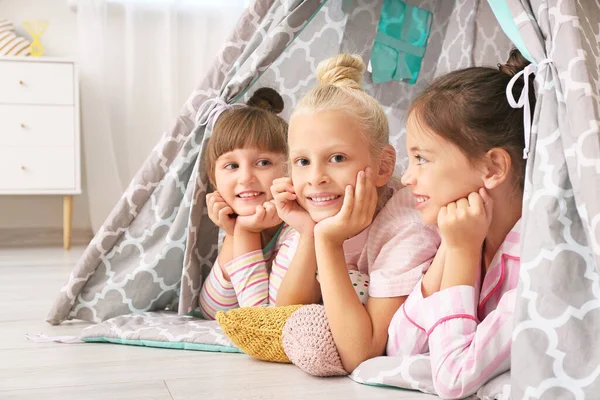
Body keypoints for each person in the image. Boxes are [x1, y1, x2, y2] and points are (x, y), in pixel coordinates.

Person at [272, 54, 440, 372]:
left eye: (337, 158)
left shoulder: (407, 226)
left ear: (384, 166)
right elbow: (286, 319)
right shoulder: (311, 219)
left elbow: (361, 354)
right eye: (302, 161)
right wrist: (309, 234)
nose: (315, 177)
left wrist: (328, 243)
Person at [386, 49, 533, 399]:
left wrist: (463, 254)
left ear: (493, 168)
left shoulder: (539, 263)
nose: (407, 177)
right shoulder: (463, 234)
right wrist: (452, 251)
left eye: (422, 158)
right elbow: (400, 350)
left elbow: (454, 379)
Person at [198, 88, 289, 319]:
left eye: (263, 162)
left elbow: (266, 316)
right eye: (232, 166)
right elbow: (215, 311)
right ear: (213, 179)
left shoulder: (295, 227)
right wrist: (234, 234)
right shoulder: (236, 222)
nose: (246, 178)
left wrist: (246, 232)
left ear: (290, 168)